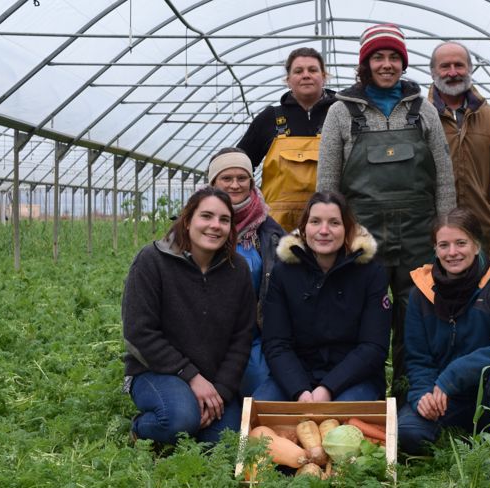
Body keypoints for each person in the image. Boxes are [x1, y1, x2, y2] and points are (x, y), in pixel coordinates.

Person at [317, 23, 456, 401]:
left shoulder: (423, 111)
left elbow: (444, 177)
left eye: (394, 57)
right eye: (378, 57)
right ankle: (366, 392)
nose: (386, 64)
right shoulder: (341, 113)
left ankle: (412, 394)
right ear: (365, 64)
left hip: (418, 234)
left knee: (417, 315)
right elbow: (327, 185)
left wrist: (445, 229)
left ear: (403, 63)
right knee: (365, 317)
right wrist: (331, 234)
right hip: (364, 237)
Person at [122, 187, 254, 445]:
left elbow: (242, 338)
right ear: (188, 219)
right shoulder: (152, 260)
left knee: (226, 441)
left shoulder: (237, 270)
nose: (215, 226)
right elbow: (140, 332)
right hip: (156, 371)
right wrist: (191, 376)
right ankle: (141, 428)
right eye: (206, 216)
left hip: (213, 378)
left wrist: (222, 392)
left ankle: (192, 417)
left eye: (224, 220)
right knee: (179, 420)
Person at [398, 208, 490, 455]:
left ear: (477, 246)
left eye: (461, 243)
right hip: (442, 398)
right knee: (408, 434)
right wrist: (423, 396)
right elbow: (418, 359)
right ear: (435, 249)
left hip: (488, 395)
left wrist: (453, 376)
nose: (452, 252)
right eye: (443, 245)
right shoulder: (419, 294)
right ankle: (448, 429)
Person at [255, 191, 391, 402]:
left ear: (347, 229)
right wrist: (299, 390)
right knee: (260, 416)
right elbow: (276, 343)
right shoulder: (284, 272)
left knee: (341, 422)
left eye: (334, 223)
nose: (324, 231)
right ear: (304, 228)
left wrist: (328, 388)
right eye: (315, 221)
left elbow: (373, 347)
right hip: (297, 376)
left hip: (354, 378)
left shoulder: (371, 272)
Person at [207, 147, 286, 399]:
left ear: (252, 182)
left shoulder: (269, 232)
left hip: (253, 336)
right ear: (213, 182)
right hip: (203, 334)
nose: (235, 185)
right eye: (226, 178)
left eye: (242, 178)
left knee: (264, 398)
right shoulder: (193, 226)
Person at [236, 47, 338, 231]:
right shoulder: (269, 118)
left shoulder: (341, 114)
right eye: (298, 71)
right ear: (288, 80)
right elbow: (238, 163)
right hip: (277, 228)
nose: (306, 75)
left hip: (329, 225)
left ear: (324, 76)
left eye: (312, 70)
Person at [427, 41, 490, 259]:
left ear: (470, 68)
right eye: (445, 66)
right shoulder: (420, 118)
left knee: (485, 291)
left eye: (459, 65)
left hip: (483, 235)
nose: (452, 73)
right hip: (435, 237)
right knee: (437, 291)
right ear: (433, 72)